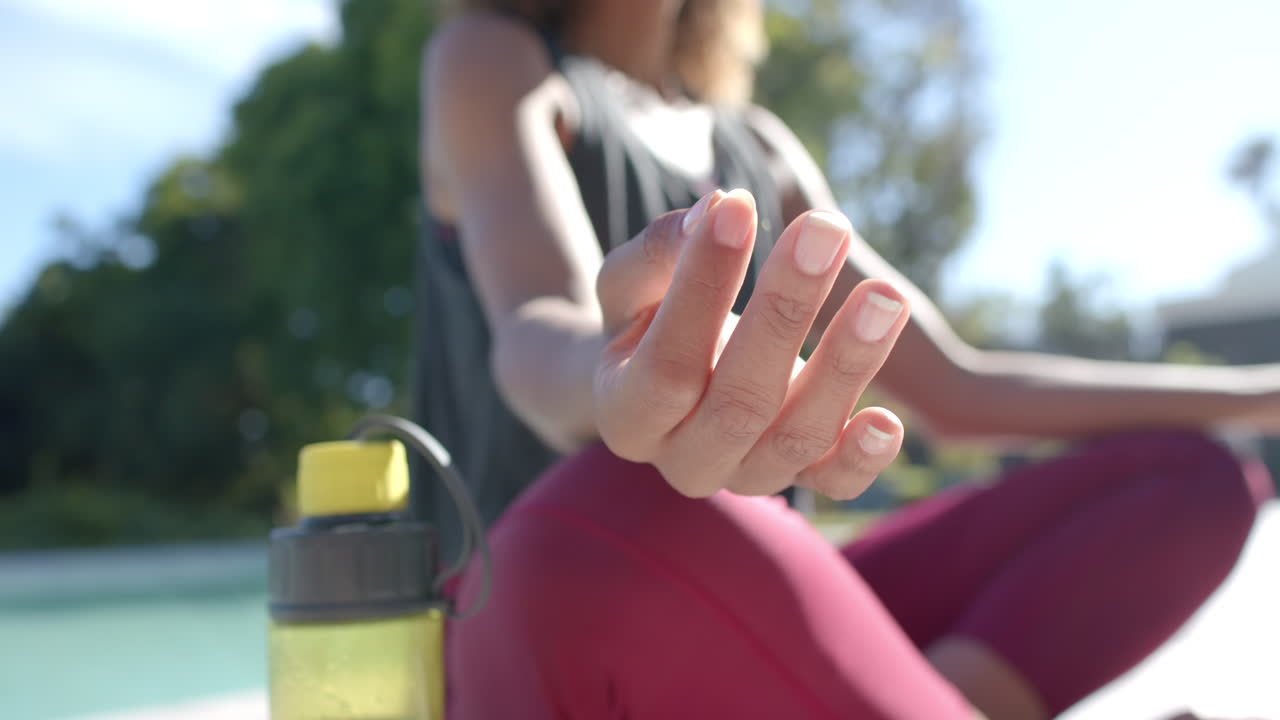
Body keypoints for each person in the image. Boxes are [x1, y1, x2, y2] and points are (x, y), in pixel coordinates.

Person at [414, 1, 1280, 717]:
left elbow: (955, 386)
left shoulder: (756, 141)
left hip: (751, 606)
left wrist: (1256, 394)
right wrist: (615, 386)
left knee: (1198, 478)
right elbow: (535, 326)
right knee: (630, 495)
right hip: (550, 607)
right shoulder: (492, 59)